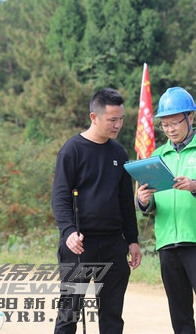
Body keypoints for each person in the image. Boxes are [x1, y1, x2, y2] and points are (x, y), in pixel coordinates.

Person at [136, 87, 196, 334]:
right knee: (180, 318)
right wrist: (143, 200)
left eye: (175, 122)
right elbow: (150, 205)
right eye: (165, 124)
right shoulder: (157, 156)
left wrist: (195, 186)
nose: (170, 129)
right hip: (168, 244)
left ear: (190, 117)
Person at [51, 88, 142, 334]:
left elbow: (125, 201)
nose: (118, 125)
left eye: (121, 119)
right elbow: (59, 197)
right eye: (112, 120)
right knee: (70, 312)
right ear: (94, 117)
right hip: (80, 244)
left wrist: (132, 240)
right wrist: (68, 232)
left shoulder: (119, 152)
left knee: (112, 315)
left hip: (113, 244)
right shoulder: (72, 150)